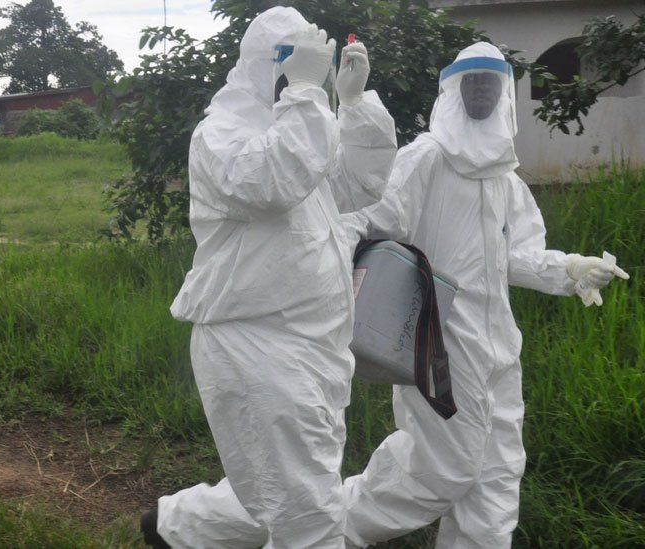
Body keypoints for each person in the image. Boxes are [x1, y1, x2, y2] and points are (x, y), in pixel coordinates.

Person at [338, 42, 630, 548]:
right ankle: (315, 528)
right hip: (437, 343)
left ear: (504, 93)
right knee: (437, 471)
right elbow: (370, 221)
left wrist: (570, 269)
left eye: (489, 83)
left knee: (496, 475)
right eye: (470, 82)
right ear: (453, 89)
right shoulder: (425, 159)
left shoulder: (504, 178)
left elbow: (513, 256)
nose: (479, 92)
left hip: (498, 348)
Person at [141, 7, 397, 548]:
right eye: (290, 61)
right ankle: (176, 528)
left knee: (287, 495)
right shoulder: (221, 135)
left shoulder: (301, 128)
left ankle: (173, 529)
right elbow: (272, 181)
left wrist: (351, 105)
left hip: (316, 344)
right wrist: (306, 93)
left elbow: (359, 185)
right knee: (309, 515)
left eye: (307, 63)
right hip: (254, 343)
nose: (301, 74)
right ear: (263, 64)